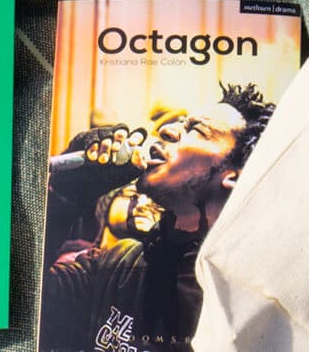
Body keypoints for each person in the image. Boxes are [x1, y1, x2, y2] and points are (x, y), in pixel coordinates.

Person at [40, 83, 276, 352]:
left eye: (197, 130)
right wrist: (62, 198)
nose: (167, 130)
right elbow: (22, 305)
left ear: (235, 176)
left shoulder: (248, 301)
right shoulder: (117, 265)